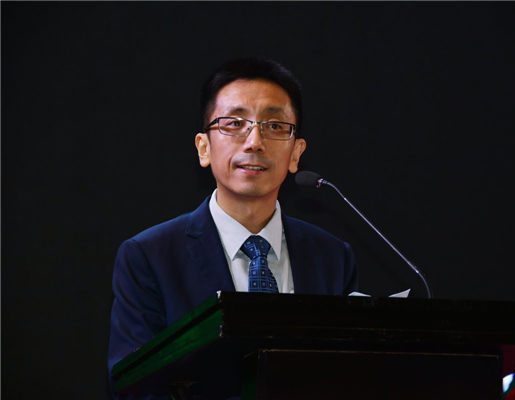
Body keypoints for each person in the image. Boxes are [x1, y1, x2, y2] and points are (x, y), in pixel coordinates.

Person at [107, 56, 358, 399]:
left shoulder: (332, 257)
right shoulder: (150, 257)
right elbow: (134, 388)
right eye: (235, 123)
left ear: (296, 154)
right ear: (204, 148)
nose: (254, 141)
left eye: (275, 126)